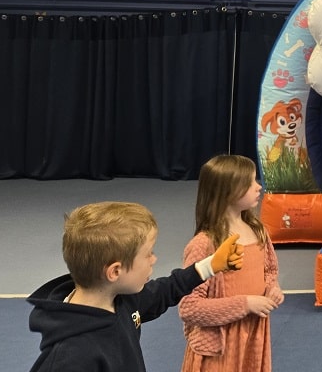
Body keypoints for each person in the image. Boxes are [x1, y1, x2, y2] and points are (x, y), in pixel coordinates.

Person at [27, 201, 244, 372]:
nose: (154, 259)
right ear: (115, 272)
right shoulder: (70, 356)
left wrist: (210, 265)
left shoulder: (122, 300)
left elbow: (165, 290)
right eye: (148, 254)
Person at [179, 154, 283, 372]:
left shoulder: (258, 231)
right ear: (228, 191)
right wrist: (245, 304)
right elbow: (189, 308)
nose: (259, 187)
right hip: (220, 349)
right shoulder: (204, 244)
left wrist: (272, 289)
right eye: (250, 182)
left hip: (253, 339)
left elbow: (270, 271)